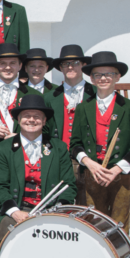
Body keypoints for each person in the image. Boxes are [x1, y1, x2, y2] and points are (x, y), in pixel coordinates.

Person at [70, 51, 130, 235]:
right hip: (92, 173)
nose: (103, 78)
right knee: (92, 224)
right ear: (92, 78)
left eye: (109, 74)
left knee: (120, 226)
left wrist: (115, 170)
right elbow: (75, 144)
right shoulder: (83, 108)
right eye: (98, 74)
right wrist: (90, 164)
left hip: (120, 175)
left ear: (117, 77)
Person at [0, 96, 78, 241]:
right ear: (18, 120)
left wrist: (55, 211)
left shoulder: (59, 148)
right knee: (10, 232)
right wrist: (15, 212)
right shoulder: (2, 149)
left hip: (50, 211)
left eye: (37, 117)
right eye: (26, 116)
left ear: (44, 121)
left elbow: (69, 186)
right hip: (17, 209)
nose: (31, 120)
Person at [45, 45, 96, 202]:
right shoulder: (50, 96)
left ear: (83, 65)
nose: (70, 67)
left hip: (88, 158)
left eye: (75, 63)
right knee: (61, 204)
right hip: (60, 158)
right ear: (60, 68)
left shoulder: (95, 93)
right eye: (66, 64)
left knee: (88, 205)